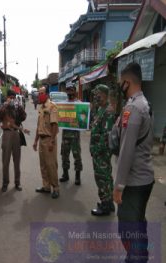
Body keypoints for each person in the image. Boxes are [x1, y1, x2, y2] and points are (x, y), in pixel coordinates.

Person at [112, 63, 154, 262]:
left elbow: (126, 150)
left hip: (134, 181)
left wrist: (119, 185)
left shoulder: (133, 108)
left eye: (121, 82)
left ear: (126, 82)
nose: (120, 85)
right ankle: (139, 257)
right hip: (144, 177)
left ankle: (137, 258)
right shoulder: (143, 103)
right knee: (137, 224)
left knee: (129, 229)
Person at [89, 84, 115, 216]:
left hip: (101, 152)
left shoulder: (108, 111)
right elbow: (94, 127)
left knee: (102, 177)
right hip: (99, 151)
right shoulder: (100, 109)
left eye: (97, 94)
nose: (95, 96)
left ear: (104, 95)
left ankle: (105, 205)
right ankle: (109, 202)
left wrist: (95, 150)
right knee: (106, 177)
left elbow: (106, 136)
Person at [0, 89, 27, 192]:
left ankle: (17, 183)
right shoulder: (3, 106)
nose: (12, 99)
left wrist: (18, 108)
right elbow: (0, 115)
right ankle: (5, 183)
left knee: (16, 160)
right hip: (6, 133)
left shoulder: (18, 106)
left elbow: (24, 117)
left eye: (13, 97)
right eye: (10, 97)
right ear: (7, 97)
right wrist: (6, 105)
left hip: (16, 133)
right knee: (5, 161)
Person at [33, 86, 59, 199]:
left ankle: (56, 188)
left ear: (47, 94)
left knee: (51, 165)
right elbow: (39, 126)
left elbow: (54, 125)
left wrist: (52, 141)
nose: (40, 95)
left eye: (42, 93)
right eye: (39, 93)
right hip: (42, 140)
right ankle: (46, 186)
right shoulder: (41, 108)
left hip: (49, 139)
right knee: (43, 165)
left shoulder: (52, 107)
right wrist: (35, 141)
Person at [59, 85, 83, 185]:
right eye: (68, 90)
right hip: (65, 135)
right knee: (64, 155)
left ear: (75, 91)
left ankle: (77, 177)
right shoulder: (63, 105)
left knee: (77, 156)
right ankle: (65, 174)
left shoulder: (80, 104)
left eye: (71, 90)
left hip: (75, 136)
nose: (70, 93)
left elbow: (83, 116)